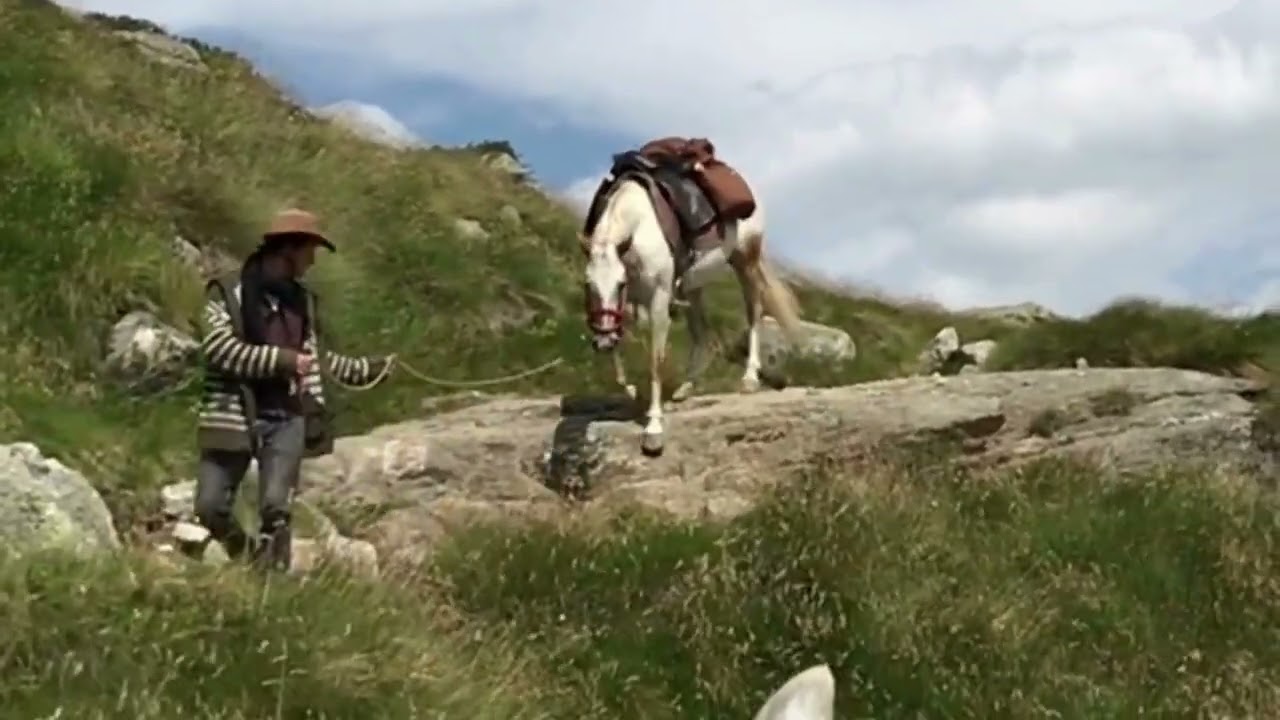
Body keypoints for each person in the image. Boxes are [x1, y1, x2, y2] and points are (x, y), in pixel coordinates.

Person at [193, 208, 393, 571]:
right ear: (289, 250)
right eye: (310, 251)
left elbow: (315, 359)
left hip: (287, 417)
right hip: (232, 416)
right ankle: (247, 555)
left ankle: (271, 584)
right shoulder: (225, 292)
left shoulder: (303, 302)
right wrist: (282, 360)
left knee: (276, 510)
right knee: (209, 507)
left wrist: (369, 369)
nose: (313, 261)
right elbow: (219, 350)